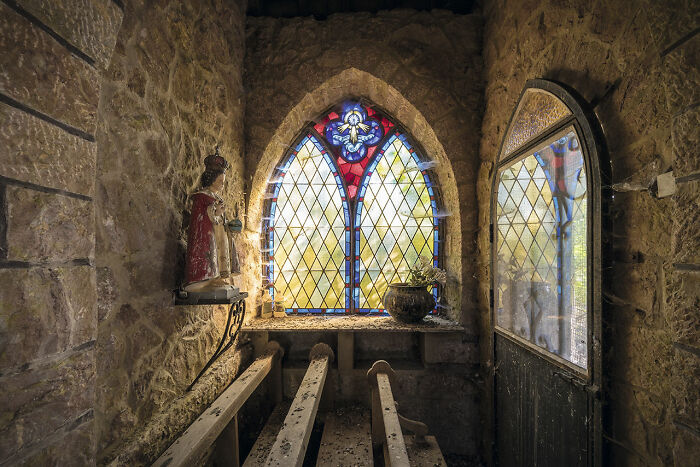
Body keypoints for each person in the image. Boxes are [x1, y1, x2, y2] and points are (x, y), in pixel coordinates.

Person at [183, 148, 240, 292]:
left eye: (223, 181)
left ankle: (217, 278)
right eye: (220, 181)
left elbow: (220, 217)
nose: (222, 184)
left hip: (218, 233)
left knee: (220, 252)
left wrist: (229, 225)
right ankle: (207, 278)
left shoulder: (217, 197)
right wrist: (215, 212)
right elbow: (200, 217)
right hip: (207, 234)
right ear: (211, 179)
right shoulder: (201, 196)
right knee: (211, 254)